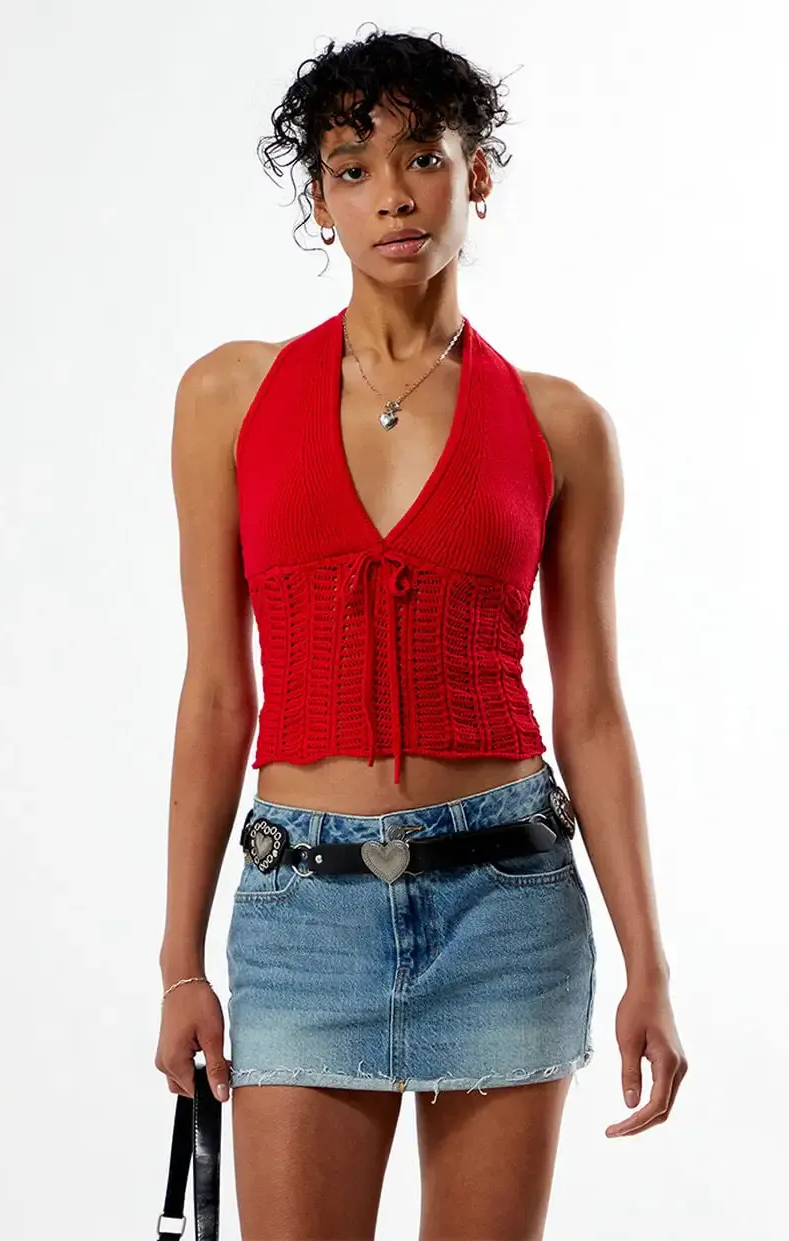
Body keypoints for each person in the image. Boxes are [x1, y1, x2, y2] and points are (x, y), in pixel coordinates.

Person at [155, 25, 688, 1241]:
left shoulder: (560, 425)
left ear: (475, 172)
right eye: (351, 168)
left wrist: (647, 962)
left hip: (506, 903)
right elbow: (216, 694)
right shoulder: (227, 398)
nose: (391, 194)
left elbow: (590, 709)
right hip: (302, 912)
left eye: (421, 157)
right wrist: (181, 961)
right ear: (319, 201)